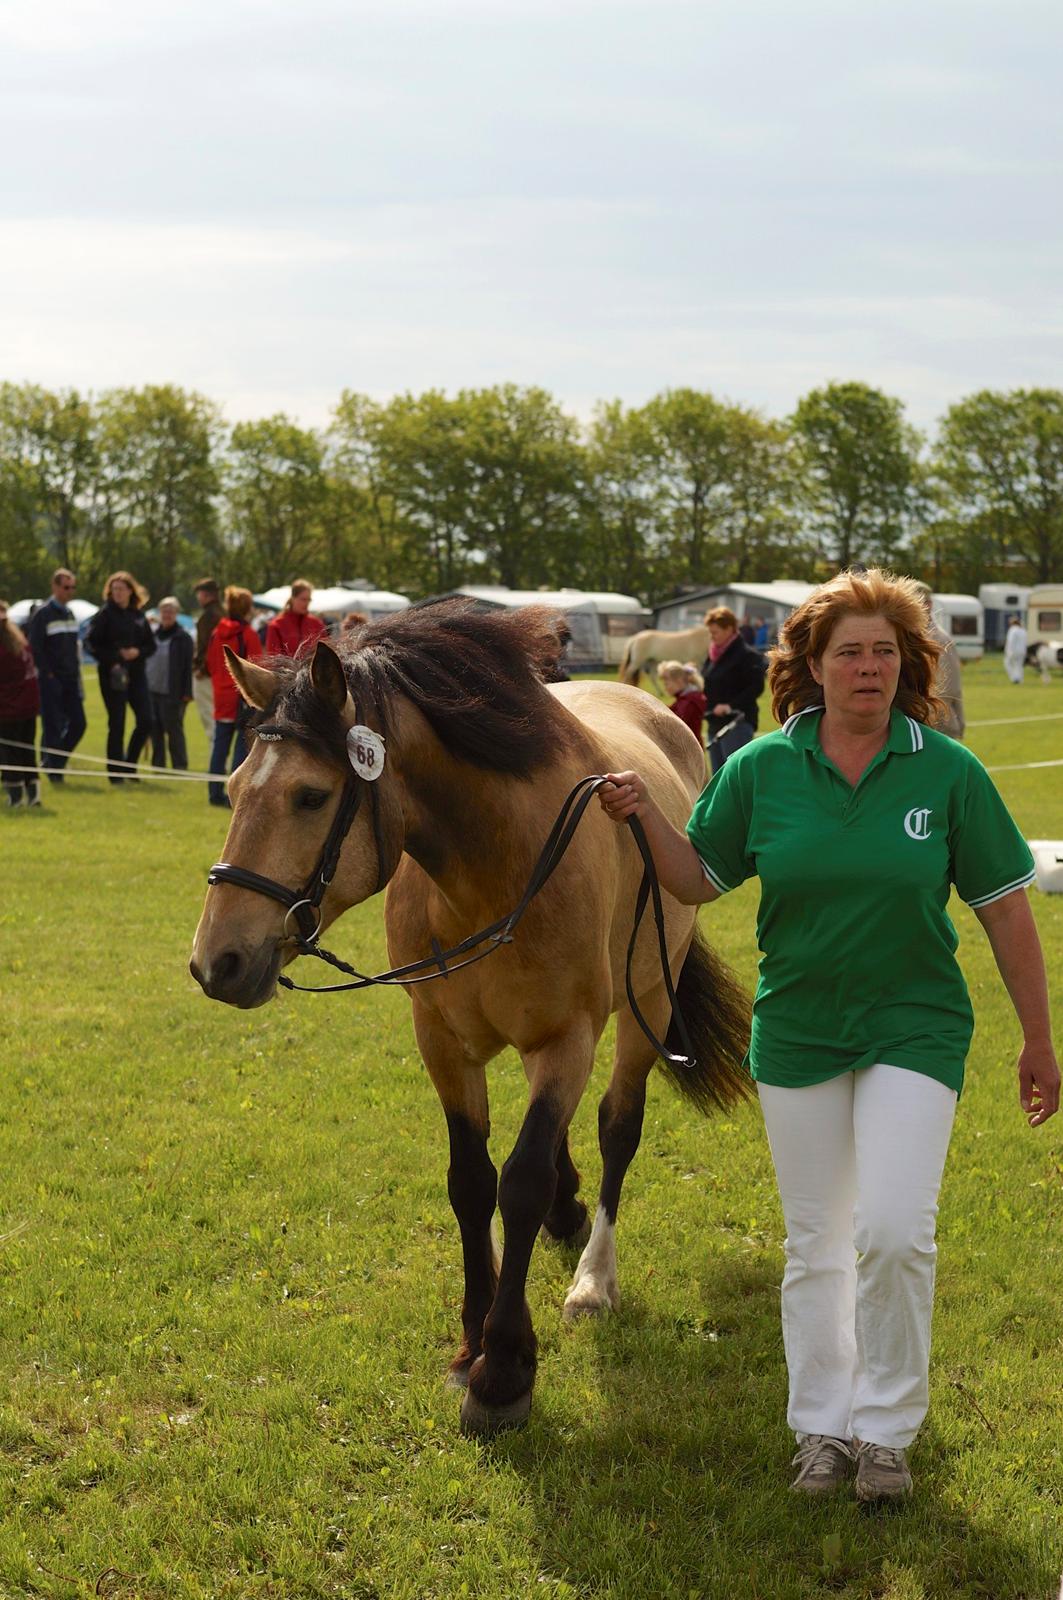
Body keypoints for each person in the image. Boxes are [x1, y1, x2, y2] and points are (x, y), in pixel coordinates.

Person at [597, 568, 1059, 1505]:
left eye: (885, 651)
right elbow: (695, 881)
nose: (868, 667)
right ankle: (822, 1430)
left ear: (908, 663)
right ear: (810, 665)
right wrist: (644, 812)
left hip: (915, 1028)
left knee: (891, 1233)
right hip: (799, 1032)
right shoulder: (761, 768)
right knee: (815, 1244)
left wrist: (1037, 1042)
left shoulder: (948, 770)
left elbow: (1007, 913)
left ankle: (884, 1435)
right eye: (848, 650)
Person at [85, 572, 156, 784]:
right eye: (114, 589)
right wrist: (115, 657)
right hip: (112, 674)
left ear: (130, 591)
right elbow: (90, 643)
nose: (117, 593)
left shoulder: (138, 615)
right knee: (117, 723)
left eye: (121, 589)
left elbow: (150, 645)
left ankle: (129, 766)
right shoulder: (104, 615)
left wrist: (137, 652)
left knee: (146, 720)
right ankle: (115, 773)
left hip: (136, 673)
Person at [25, 567, 86, 783]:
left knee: (79, 723)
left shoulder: (70, 613)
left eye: (73, 587)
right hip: (51, 680)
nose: (70, 591)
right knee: (52, 726)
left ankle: (55, 762)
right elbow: (35, 648)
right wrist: (49, 676)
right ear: (55, 587)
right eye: (66, 587)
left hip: (70, 679)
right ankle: (55, 772)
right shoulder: (42, 614)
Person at [206, 586, 262, 807]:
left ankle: (213, 791)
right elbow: (257, 665)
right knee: (241, 746)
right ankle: (233, 795)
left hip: (220, 695)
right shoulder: (248, 634)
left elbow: (211, 662)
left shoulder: (216, 632)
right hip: (242, 697)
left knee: (219, 745)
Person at [700, 606, 766, 773]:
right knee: (718, 777)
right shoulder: (713, 655)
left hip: (737, 723)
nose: (711, 637)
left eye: (715, 632)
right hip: (714, 723)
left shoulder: (747, 655)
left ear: (729, 629)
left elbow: (756, 686)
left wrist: (729, 706)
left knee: (734, 776)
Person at [0, 601, 41, 807]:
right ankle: (34, 795)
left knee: (10, 753)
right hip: (28, 705)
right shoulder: (19, 640)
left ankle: (15, 797)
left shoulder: (4, 648)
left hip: (10, 708)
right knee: (26, 751)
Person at [912, 581, 965, 739]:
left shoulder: (938, 640)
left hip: (933, 728)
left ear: (928, 604)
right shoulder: (904, 636)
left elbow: (949, 689)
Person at [146, 597, 193, 770]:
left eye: (170, 611)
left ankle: (179, 765)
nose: (167, 614)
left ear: (176, 614)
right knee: (155, 730)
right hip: (152, 690)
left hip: (173, 693)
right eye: (164, 611)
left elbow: (188, 668)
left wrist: (187, 693)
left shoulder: (183, 638)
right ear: (160, 613)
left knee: (174, 731)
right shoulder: (152, 635)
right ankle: (158, 765)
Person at [192, 579, 223, 738]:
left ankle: (217, 763)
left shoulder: (208, 616)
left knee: (210, 724)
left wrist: (201, 669)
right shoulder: (222, 612)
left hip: (207, 675)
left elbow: (208, 647)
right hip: (220, 675)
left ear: (205, 595)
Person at [264, 580, 327, 658]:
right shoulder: (276, 625)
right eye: (303, 599)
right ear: (293, 598)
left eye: (309, 600)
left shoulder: (317, 624)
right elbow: (273, 659)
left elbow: (325, 655)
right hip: (283, 670)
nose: (307, 603)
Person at [659, 659, 707, 741]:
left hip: (688, 748)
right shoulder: (683, 700)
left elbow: (676, 722)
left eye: (667, 684)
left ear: (679, 681)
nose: (665, 688)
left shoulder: (689, 702)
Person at [1003, 614, 1028, 685]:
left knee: (1007, 663)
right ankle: (1020, 680)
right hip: (1022, 651)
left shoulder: (1012, 630)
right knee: (1019, 666)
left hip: (1013, 651)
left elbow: (1011, 641)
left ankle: (1014, 679)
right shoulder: (1023, 630)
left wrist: (1008, 651)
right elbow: (1025, 642)